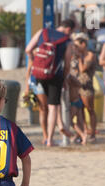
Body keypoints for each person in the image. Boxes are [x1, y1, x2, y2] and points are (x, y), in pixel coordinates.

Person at [25, 19, 75, 147]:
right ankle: (50, 140)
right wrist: (64, 78)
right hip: (54, 76)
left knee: (43, 108)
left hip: (38, 75)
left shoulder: (43, 32)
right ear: (69, 29)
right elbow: (68, 63)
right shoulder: (67, 41)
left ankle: (45, 136)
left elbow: (28, 49)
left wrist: (34, 61)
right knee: (53, 107)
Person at [71, 33, 97, 142]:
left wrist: (80, 57)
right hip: (77, 86)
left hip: (87, 86)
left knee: (89, 109)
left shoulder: (89, 55)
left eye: (77, 46)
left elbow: (83, 69)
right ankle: (83, 131)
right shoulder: (75, 55)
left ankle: (93, 132)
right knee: (79, 111)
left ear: (84, 44)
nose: (75, 48)